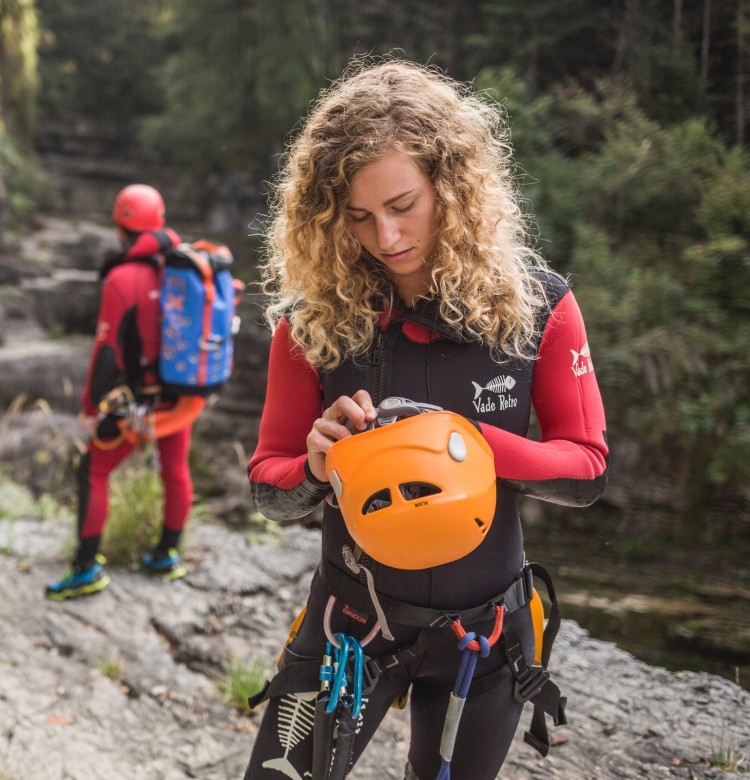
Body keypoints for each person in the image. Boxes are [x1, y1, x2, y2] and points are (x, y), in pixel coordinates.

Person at [243, 59, 609, 780]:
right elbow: (267, 486)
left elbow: (587, 470)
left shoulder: (540, 308)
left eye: (403, 204)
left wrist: (465, 445)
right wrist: (318, 466)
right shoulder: (313, 323)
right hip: (351, 621)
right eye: (356, 216)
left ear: (452, 185)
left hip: (488, 632)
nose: (385, 235)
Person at [46, 184, 194, 600]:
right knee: (175, 468)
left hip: (139, 403)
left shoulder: (123, 278)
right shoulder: (184, 268)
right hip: (181, 396)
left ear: (119, 225)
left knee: (92, 469)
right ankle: (167, 555)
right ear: (159, 222)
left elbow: (107, 351)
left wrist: (91, 406)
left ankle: (85, 569)